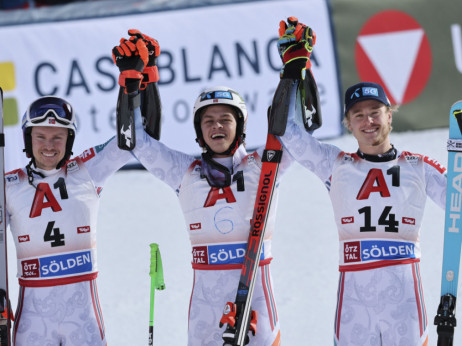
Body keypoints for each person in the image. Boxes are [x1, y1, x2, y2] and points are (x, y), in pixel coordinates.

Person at [110, 26, 322, 344]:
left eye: (226, 119)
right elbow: (137, 143)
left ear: (240, 126)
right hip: (204, 313)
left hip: (258, 305)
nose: (217, 126)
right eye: (208, 120)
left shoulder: (266, 163)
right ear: (199, 130)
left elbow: (304, 126)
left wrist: (299, 65)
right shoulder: (185, 172)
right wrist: (135, 81)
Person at [277, 18, 447, 345]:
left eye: (375, 111)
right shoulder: (335, 165)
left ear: (390, 115)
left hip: (404, 301)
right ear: (349, 124)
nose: (368, 120)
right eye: (359, 115)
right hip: (354, 302)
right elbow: (288, 133)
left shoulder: (419, 167)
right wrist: (292, 70)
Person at [7, 34, 152, 345]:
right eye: (40, 137)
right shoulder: (9, 185)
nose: (49, 146)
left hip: (82, 314)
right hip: (33, 316)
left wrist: (136, 86)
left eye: (58, 137)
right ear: (27, 140)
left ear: (69, 142)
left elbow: (133, 140)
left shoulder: (87, 171)